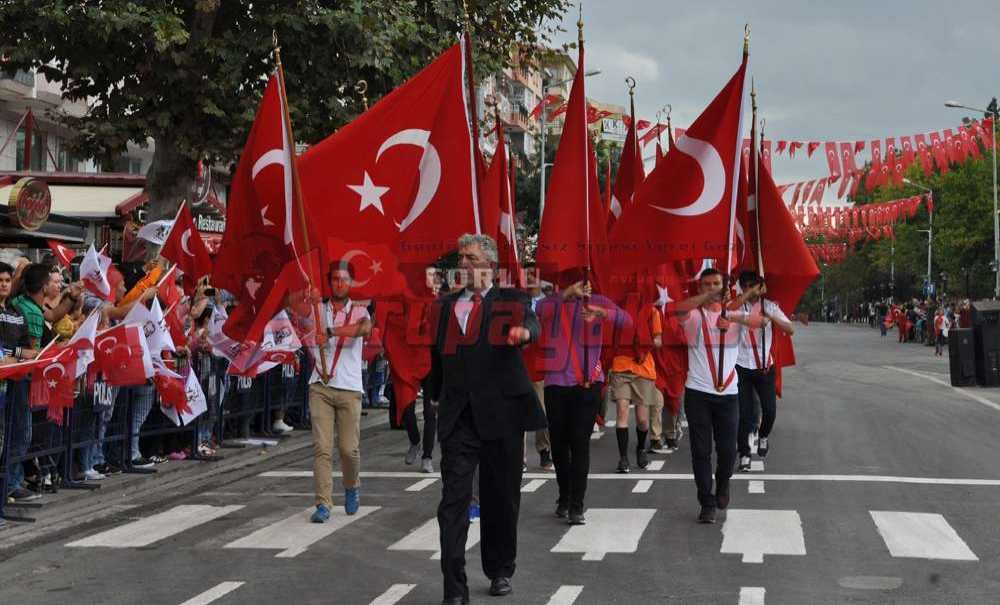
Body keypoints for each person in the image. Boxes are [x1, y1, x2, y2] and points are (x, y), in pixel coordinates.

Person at [428, 234, 543, 604]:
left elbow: (532, 323)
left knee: (501, 499)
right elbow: (436, 357)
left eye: (471, 257)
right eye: (460, 256)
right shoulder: (446, 306)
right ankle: (454, 588)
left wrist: (524, 333)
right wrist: (432, 396)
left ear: (490, 266)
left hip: (502, 416)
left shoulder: (511, 299)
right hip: (459, 419)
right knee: (453, 503)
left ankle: (499, 569)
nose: (463, 263)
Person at [536, 277, 629, 521]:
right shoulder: (553, 302)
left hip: (588, 384)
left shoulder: (598, 301)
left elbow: (627, 321)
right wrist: (567, 292)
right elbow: (538, 310)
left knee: (579, 443)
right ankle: (564, 494)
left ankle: (576, 505)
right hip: (556, 383)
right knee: (558, 445)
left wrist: (601, 311)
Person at [675, 268, 762, 524]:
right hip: (698, 393)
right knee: (701, 451)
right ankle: (707, 501)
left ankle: (723, 483)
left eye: (716, 283)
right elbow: (678, 309)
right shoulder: (693, 316)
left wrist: (736, 319)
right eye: (706, 285)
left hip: (728, 395)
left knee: (727, 451)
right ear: (700, 288)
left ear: (725, 287)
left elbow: (761, 321)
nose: (711, 288)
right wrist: (708, 299)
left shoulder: (734, 314)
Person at [305, 260, 372, 522]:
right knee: (322, 448)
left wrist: (331, 331)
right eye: (334, 279)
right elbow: (293, 309)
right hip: (320, 385)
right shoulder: (318, 309)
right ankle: (323, 504)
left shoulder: (359, 310)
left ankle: (352, 485)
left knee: (348, 450)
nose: (339, 283)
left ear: (351, 282)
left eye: (344, 279)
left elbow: (363, 330)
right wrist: (306, 297)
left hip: (349, 388)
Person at [734, 272, 795, 472]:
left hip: (764, 368)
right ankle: (744, 453)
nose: (751, 290)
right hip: (741, 367)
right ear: (741, 287)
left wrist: (772, 318)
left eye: (755, 286)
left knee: (769, 411)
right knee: (744, 414)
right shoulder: (736, 306)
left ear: (761, 287)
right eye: (747, 286)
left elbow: (790, 328)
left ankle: (763, 435)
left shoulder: (769, 306)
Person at [0, 261, 40, 503]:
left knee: (20, 435)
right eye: (0, 281)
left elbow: (27, 348)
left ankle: (11, 484)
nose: (3, 285)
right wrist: (17, 353)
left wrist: (18, 354)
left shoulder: (17, 313)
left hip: (16, 384)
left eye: (6, 280)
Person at [608, 300, 661, 473]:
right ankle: (623, 458)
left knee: (642, 419)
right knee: (622, 411)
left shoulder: (651, 311)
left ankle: (640, 448)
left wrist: (644, 342)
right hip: (620, 366)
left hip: (643, 369)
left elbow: (658, 340)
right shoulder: (619, 310)